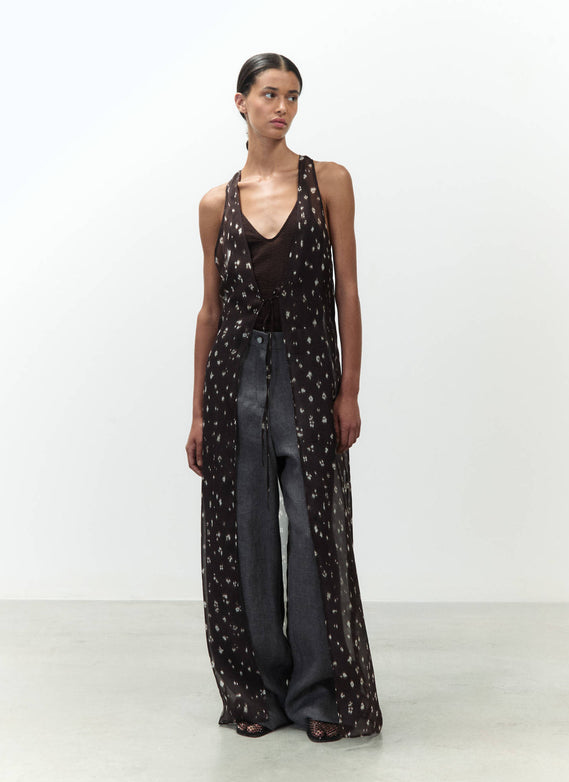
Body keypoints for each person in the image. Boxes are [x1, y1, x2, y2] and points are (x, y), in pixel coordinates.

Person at [185, 52, 383, 742]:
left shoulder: (330, 181)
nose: (283, 107)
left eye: (293, 96)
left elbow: (346, 290)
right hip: (234, 377)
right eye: (270, 94)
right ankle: (256, 694)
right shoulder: (216, 203)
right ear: (240, 101)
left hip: (309, 371)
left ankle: (319, 694)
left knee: (315, 532)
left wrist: (349, 389)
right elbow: (210, 312)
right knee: (244, 536)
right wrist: (198, 411)